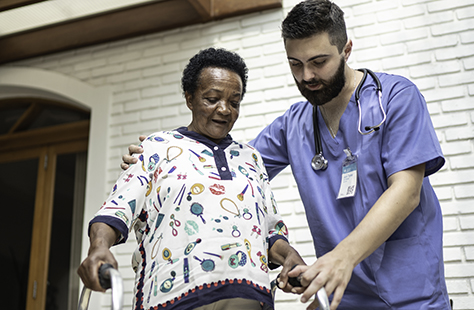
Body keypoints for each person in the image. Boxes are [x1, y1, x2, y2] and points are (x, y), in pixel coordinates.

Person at [121, 1, 451, 309]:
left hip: (412, 294)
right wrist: (166, 155)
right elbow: (232, 174)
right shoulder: (293, 125)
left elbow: (407, 192)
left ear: (346, 50)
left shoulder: (394, 98)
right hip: (339, 294)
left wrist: (342, 257)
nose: (307, 76)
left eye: (319, 62)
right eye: (296, 64)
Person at [78, 47, 305, 310]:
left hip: (247, 298)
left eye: (234, 102)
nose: (225, 109)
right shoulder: (157, 147)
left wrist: (289, 255)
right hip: (173, 297)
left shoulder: (251, 158)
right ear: (189, 98)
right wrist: (98, 248)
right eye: (212, 98)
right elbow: (114, 212)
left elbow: (269, 232)